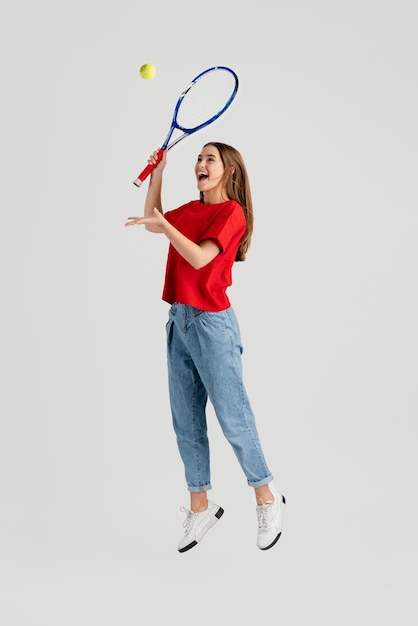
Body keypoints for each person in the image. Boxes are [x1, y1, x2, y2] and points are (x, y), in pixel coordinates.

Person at [125, 142, 285, 552]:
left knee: (233, 417)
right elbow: (152, 222)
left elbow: (198, 258)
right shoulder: (190, 211)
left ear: (229, 171)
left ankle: (266, 497)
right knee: (186, 422)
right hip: (179, 322)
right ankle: (201, 505)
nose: (200, 164)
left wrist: (166, 225)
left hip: (212, 326)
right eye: (198, 158)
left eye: (209, 158)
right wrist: (157, 175)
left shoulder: (231, 213)